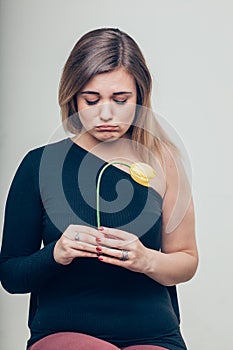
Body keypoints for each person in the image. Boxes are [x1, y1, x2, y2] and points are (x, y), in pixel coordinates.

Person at [0, 28, 198, 350]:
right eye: (91, 100)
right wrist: (57, 253)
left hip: (154, 333)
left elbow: (187, 259)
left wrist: (145, 259)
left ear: (140, 98)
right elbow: (11, 274)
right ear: (73, 98)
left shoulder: (164, 162)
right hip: (65, 330)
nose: (106, 114)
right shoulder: (39, 165)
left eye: (121, 100)